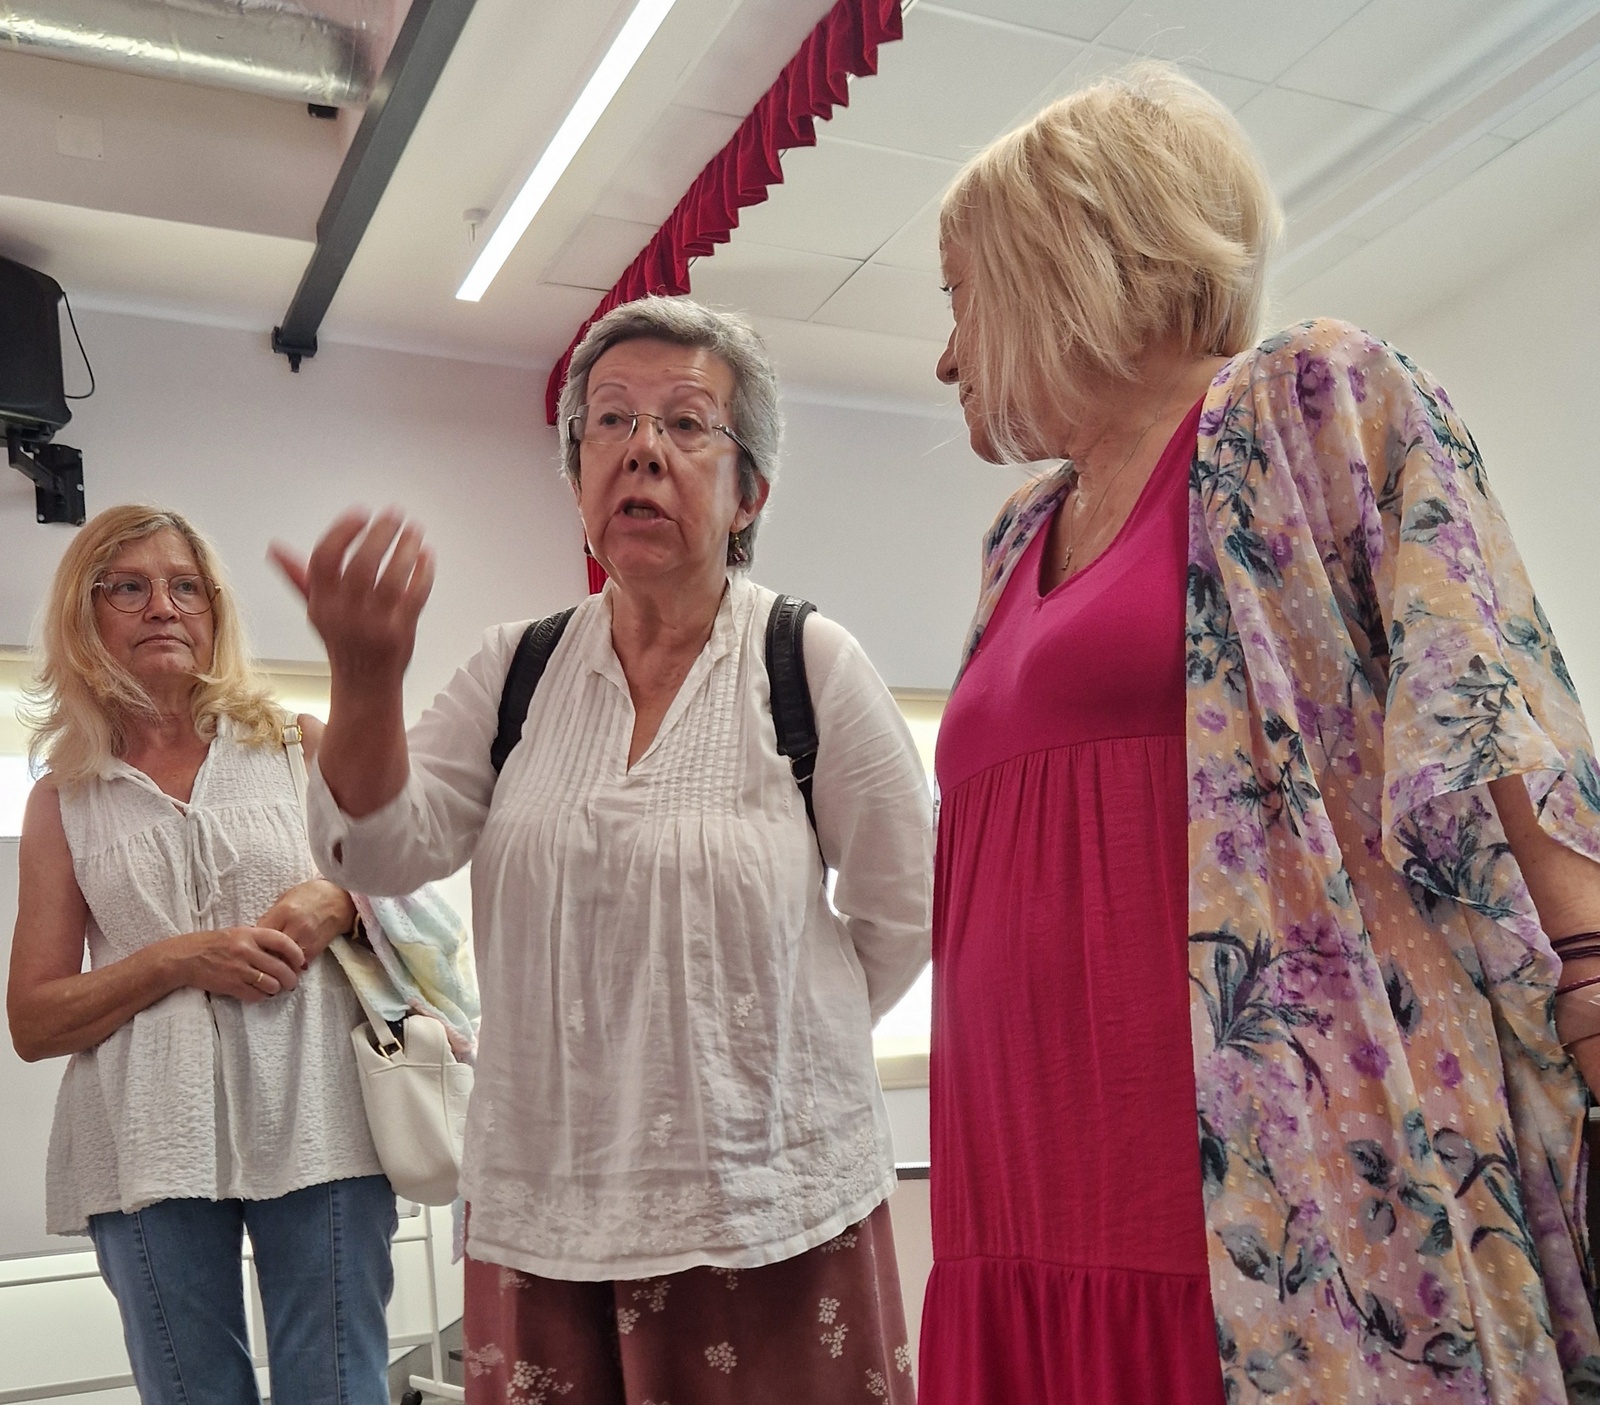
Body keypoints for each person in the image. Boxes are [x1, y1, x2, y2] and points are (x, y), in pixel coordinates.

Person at [922, 62, 1600, 1404]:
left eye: (959, 295)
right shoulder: (1016, 537)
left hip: (1258, 1165)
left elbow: (1481, 692)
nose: (947, 356)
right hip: (1019, 1167)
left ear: (1065, 258)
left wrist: (1588, 964)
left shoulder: (1303, 397)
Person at [273, 296, 933, 1404]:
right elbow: (374, 855)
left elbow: (901, 912)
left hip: (765, 1204)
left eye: (687, 423)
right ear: (578, 475)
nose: (642, 448)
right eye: (611, 420)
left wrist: (764, 1041)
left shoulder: (808, 662)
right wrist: (367, 679)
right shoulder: (515, 669)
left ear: (750, 491)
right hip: (548, 1201)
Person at [6, 505, 397, 1405]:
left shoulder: (299, 745)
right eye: (129, 587)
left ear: (215, 611)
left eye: (186, 587)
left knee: (338, 1386)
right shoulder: (64, 800)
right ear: (83, 615)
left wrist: (337, 899)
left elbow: (414, 893)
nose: (163, 607)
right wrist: (176, 959)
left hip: (322, 1111)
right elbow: (33, 1019)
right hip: (147, 1139)